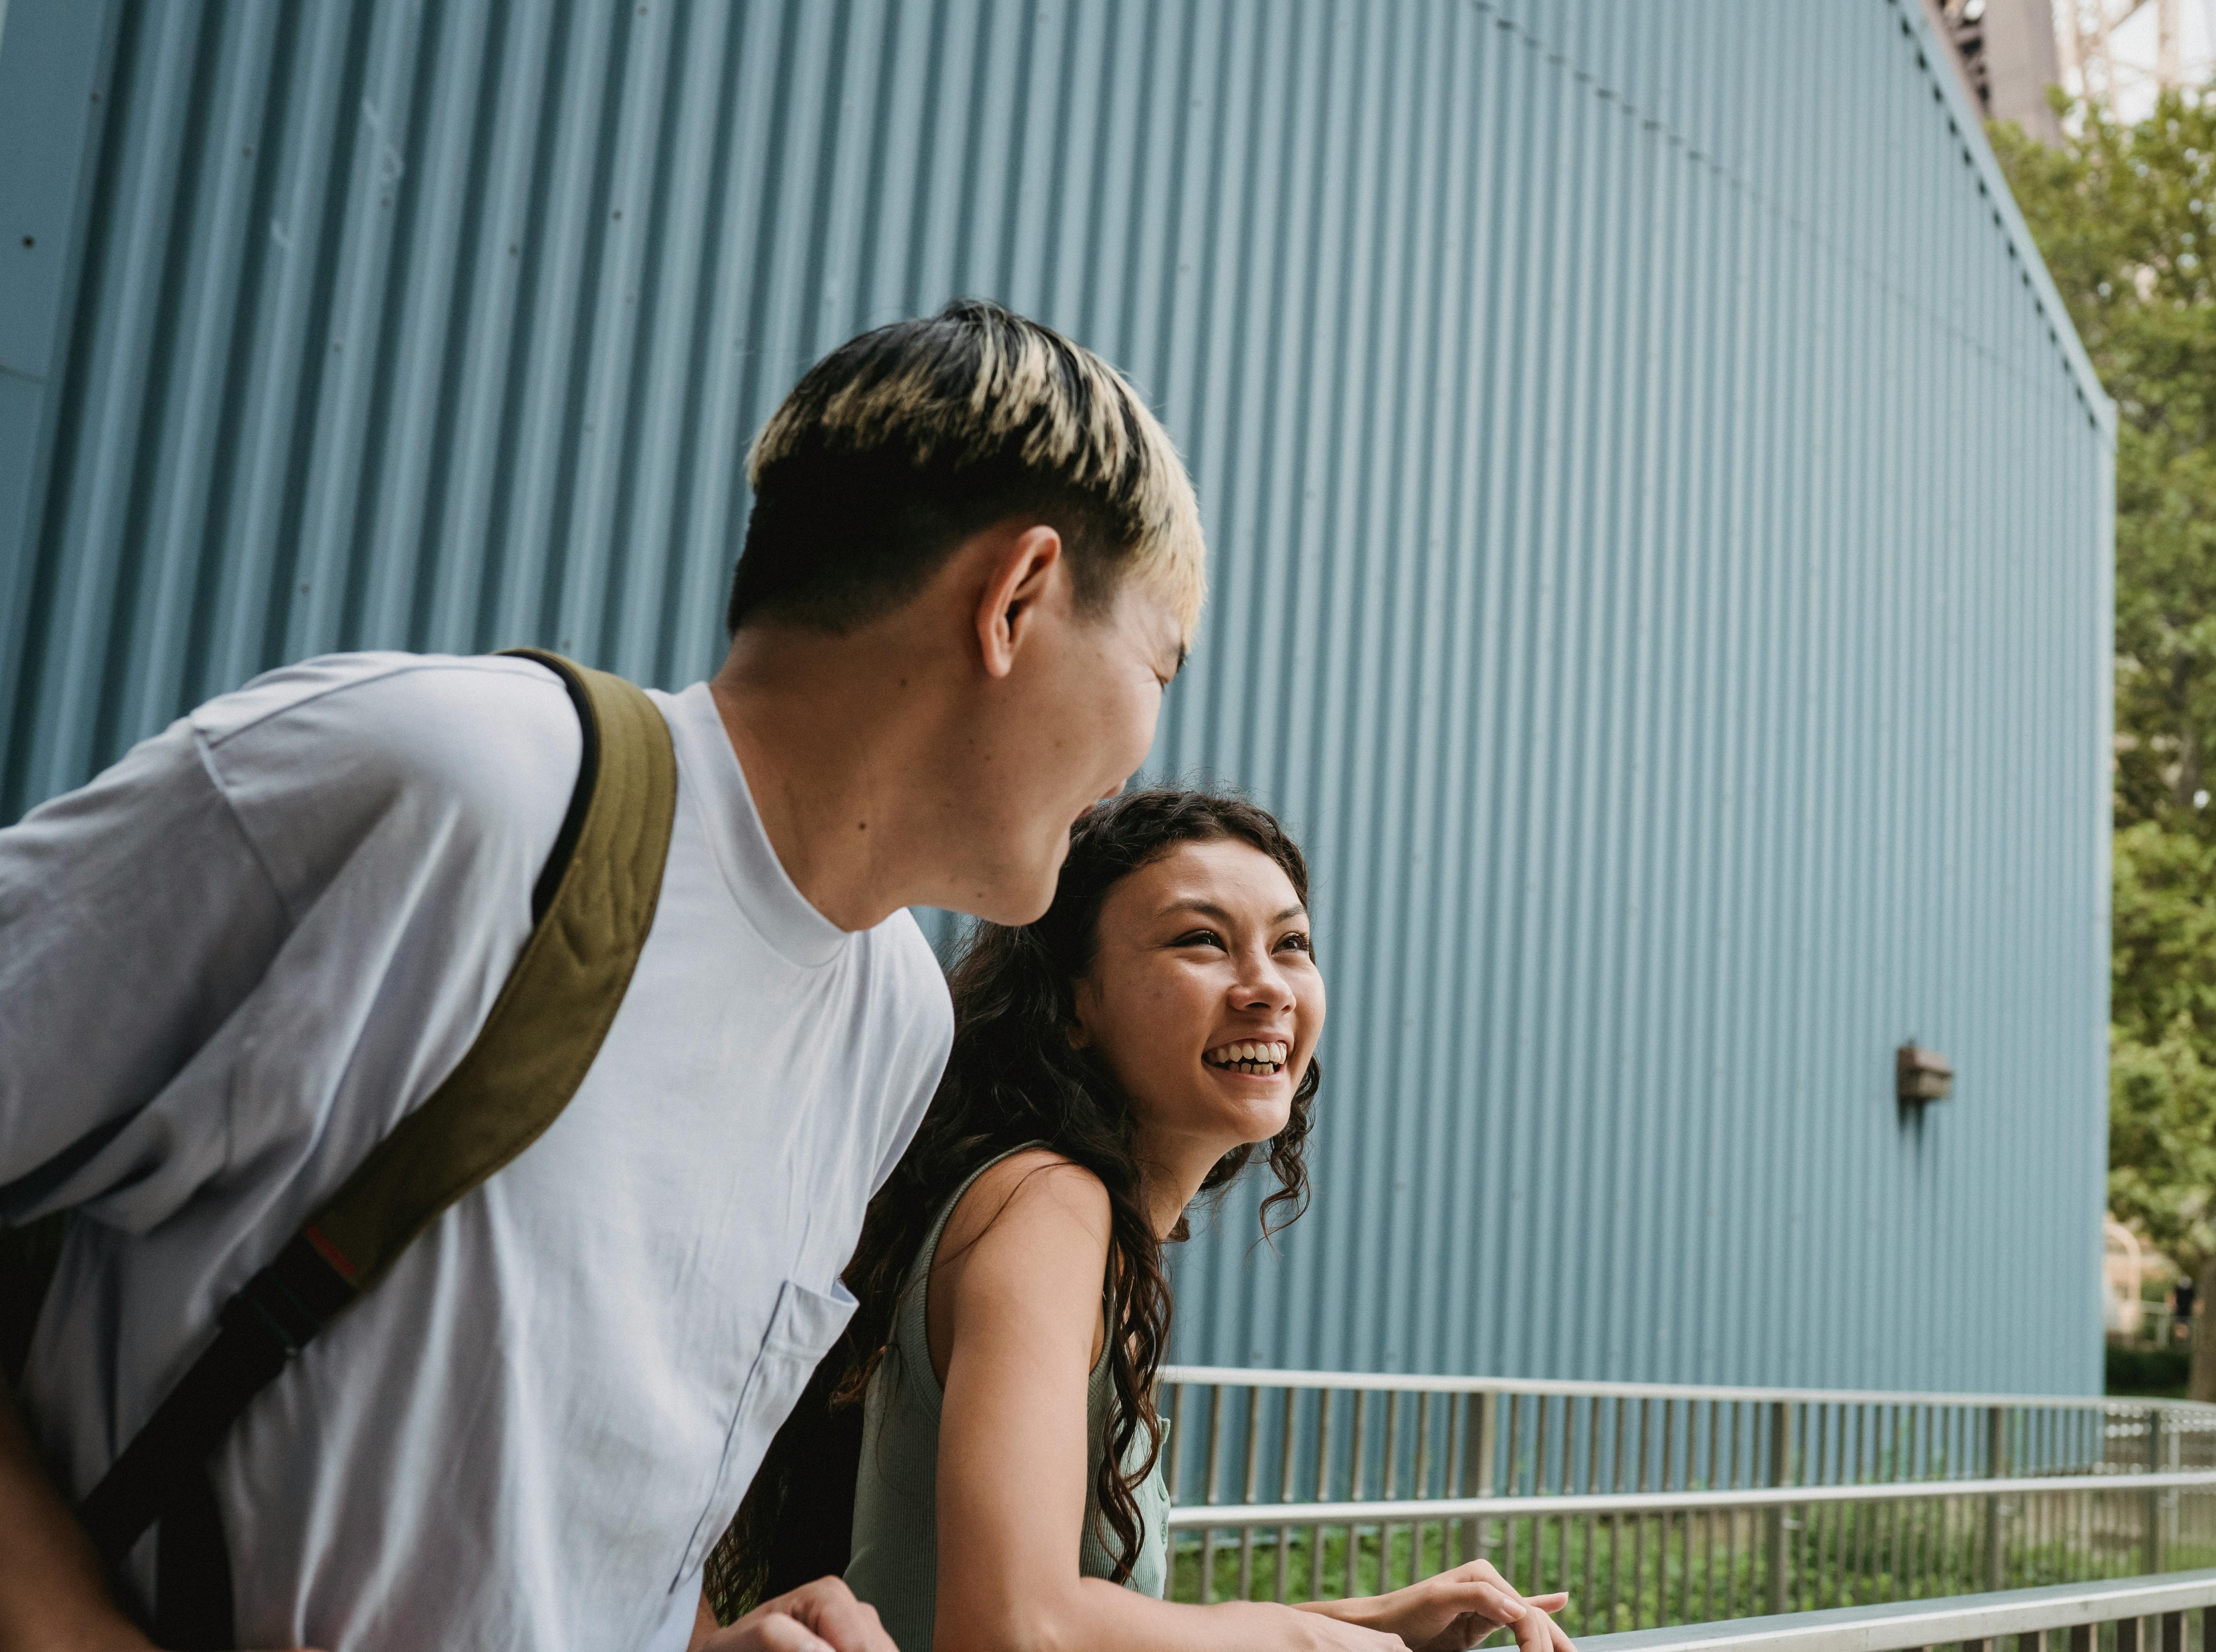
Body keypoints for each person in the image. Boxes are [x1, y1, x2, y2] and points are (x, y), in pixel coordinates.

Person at [0, 299, 1205, 1652]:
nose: (1142, 760)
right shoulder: (454, 788)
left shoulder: (893, 1022)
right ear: (1018, 596)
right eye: (1161, 664)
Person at [699, 791, 1578, 1652]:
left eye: (1291, 944)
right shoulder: (1047, 1202)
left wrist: (1373, 1618)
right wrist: (1309, 1641)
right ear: (1072, 1004)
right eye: (1202, 940)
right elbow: (1012, 1626)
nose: (1267, 987)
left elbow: (1080, 1621)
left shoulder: (1071, 1219)